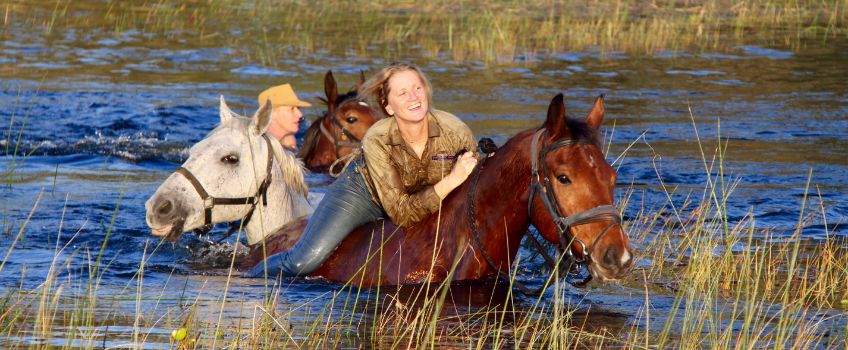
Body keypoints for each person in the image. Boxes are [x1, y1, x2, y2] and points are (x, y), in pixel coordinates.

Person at [251, 62, 478, 277]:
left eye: (418, 88)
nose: (414, 97)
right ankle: (251, 276)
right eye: (402, 93)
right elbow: (402, 213)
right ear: (388, 106)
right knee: (304, 261)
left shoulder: (455, 130)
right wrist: (452, 180)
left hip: (415, 195)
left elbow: (475, 180)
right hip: (362, 195)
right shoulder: (377, 138)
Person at [258, 83, 311, 151]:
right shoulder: (257, 145)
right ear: (270, 113)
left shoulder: (290, 141)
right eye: (292, 109)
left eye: (298, 108)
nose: (300, 114)